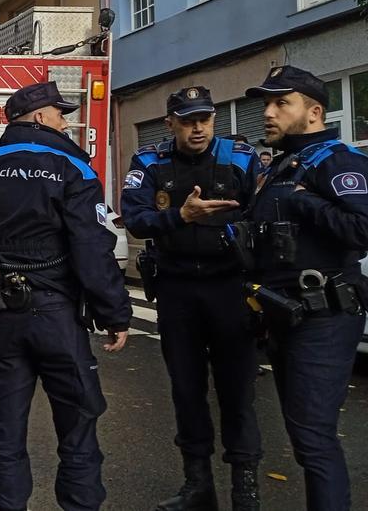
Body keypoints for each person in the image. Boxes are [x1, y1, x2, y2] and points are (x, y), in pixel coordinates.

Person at [0, 81, 132, 511]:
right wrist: (115, 313)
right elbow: (92, 247)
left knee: (7, 429)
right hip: (57, 316)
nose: (64, 121)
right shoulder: (73, 166)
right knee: (77, 426)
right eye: (60, 113)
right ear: (39, 117)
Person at [121, 86, 262, 511]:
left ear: (214, 119)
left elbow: (263, 216)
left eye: (204, 118)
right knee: (186, 389)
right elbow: (135, 219)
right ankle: (198, 485)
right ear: (170, 124)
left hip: (230, 288)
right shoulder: (149, 162)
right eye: (187, 120)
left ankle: (246, 490)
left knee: (238, 391)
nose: (197, 128)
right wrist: (180, 216)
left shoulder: (240, 157)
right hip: (178, 289)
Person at [242, 66, 368, 511]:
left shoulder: (336, 160)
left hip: (324, 316)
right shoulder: (280, 166)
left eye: (281, 103)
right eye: (267, 104)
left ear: (314, 112)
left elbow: (362, 228)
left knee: (314, 440)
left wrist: (304, 200)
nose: (269, 113)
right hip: (284, 315)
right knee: (304, 438)